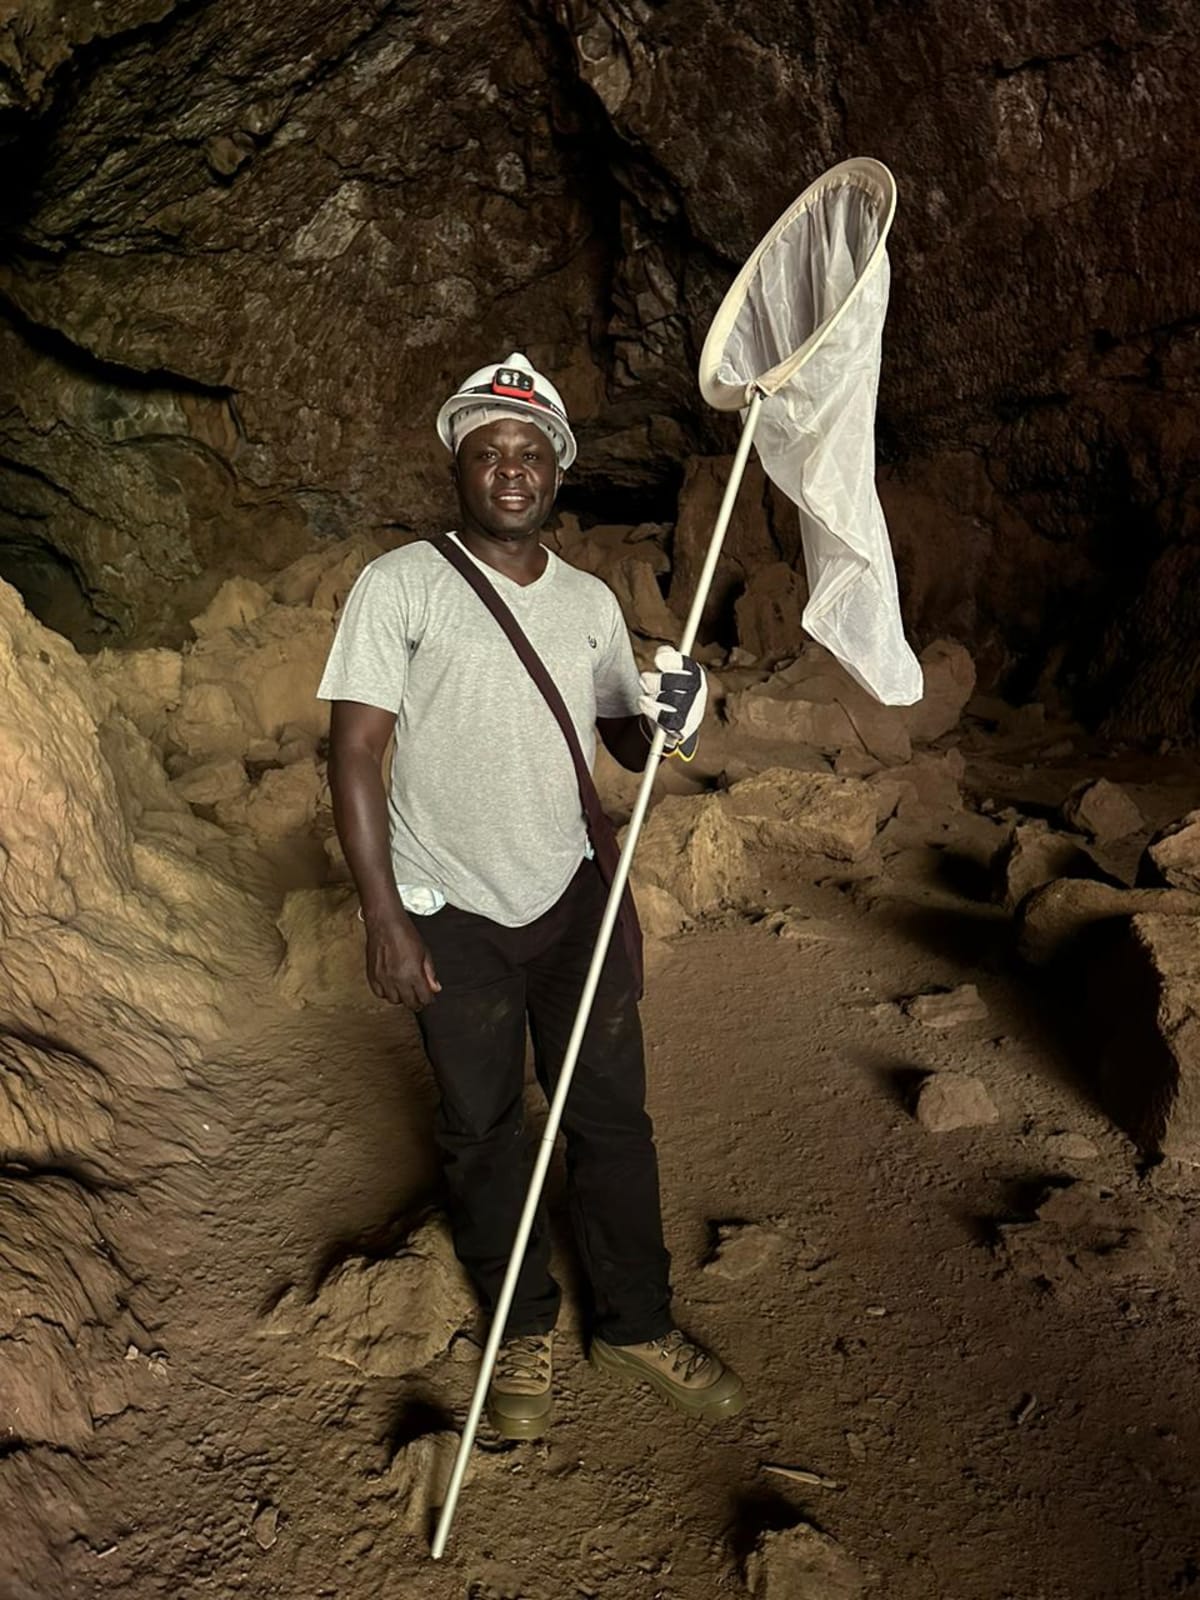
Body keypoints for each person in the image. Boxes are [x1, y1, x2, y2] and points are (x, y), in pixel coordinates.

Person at [318, 352, 745, 1440]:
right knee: (483, 1128)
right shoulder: (401, 585)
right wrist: (384, 913)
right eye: (488, 451)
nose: (511, 469)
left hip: (570, 896)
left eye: (530, 452)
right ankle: (522, 1323)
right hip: (449, 904)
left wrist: (674, 712)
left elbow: (619, 739)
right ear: (462, 466)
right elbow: (357, 752)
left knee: (610, 1116)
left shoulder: (593, 603)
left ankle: (638, 1323)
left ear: (556, 469)